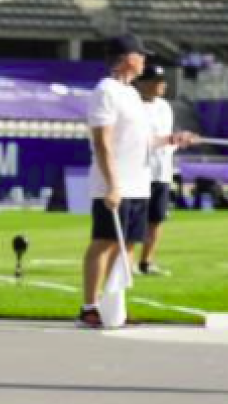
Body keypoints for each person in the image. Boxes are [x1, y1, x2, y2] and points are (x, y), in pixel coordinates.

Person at [79, 36, 193, 328]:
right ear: (126, 58)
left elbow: (143, 141)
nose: (144, 60)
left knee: (126, 245)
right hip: (116, 183)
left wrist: (171, 140)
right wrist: (113, 184)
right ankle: (89, 306)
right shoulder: (106, 91)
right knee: (103, 243)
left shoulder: (130, 94)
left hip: (139, 183)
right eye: (140, 55)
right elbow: (102, 141)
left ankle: (113, 306)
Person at [134, 63, 196, 275]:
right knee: (134, 220)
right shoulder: (132, 106)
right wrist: (170, 139)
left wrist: (181, 140)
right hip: (139, 170)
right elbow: (139, 140)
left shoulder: (164, 107)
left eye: (162, 82)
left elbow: (167, 137)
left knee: (156, 218)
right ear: (142, 83)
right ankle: (126, 262)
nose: (161, 85)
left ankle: (147, 261)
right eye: (155, 81)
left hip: (161, 171)